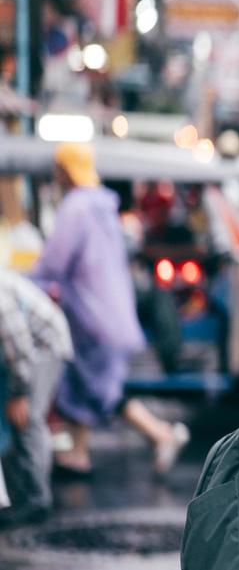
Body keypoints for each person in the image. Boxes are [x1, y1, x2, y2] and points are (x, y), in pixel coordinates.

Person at [33, 143, 189, 476]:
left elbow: (53, 263)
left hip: (92, 319)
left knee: (99, 390)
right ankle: (78, 453)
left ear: (64, 171)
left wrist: (19, 281)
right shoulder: (102, 206)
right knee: (82, 382)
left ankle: (161, 434)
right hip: (111, 314)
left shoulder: (76, 207)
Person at [0, 268, 71, 525]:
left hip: (44, 347)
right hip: (18, 353)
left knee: (27, 419)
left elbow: (19, 348)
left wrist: (19, 394)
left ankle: (36, 501)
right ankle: (18, 496)